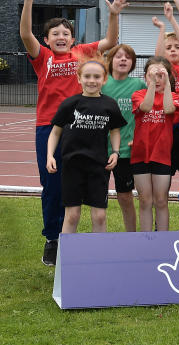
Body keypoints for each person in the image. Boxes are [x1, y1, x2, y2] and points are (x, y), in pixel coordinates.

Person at [20, 0, 126, 265]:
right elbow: (25, 34)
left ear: (73, 38)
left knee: (81, 180)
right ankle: (53, 239)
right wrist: (29, 1)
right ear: (47, 40)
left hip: (83, 128)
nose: (61, 36)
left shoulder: (83, 53)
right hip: (49, 127)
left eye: (66, 33)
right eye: (55, 34)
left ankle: (86, 244)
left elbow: (111, 42)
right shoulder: (42, 57)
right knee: (52, 184)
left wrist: (114, 14)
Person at [46, 60, 125, 234]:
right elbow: (55, 132)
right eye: (87, 76)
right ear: (79, 79)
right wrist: (50, 155)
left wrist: (116, 152)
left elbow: (115, 131)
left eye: (96, 77)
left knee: (99, 216)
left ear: (104, 79)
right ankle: (67, 258)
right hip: (72, 165)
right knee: (72, 215)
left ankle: (99, 258)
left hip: (98, 166)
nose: (91, 80)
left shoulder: (110, 104)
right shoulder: (69, 104)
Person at [152, 2, 179, 231]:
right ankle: (162, 228)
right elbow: (158, 58)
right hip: (165, 132)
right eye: (169, 47)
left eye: (176, 47)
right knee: (162, 182)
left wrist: (171, 20)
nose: (172, 50)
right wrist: (161, 31)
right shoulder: (163, 72)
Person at [131, 56, 179, 232]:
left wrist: (167, 85)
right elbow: (144, 107)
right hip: (140, 155)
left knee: (161, 200)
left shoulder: (173, 96)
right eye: (153, 75)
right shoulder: (138, 95)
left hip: (162, 155)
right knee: (145, 200)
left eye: (161, 75)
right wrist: (152, 84)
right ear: (145, 77)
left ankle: (162, 240)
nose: (157, 79)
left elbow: (168, 109)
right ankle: (146, 241)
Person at [101, 44, 145, 232]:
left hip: (126, 152)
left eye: (128, 57)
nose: (123, 60)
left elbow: (147, 115)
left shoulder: (139, 86)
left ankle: (131, 237)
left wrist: (140, 139)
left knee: (125, 196)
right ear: (110, 61)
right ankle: (99, 238)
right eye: (118, 56)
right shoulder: (101, 84)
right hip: (100, 151)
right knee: (97, 199)